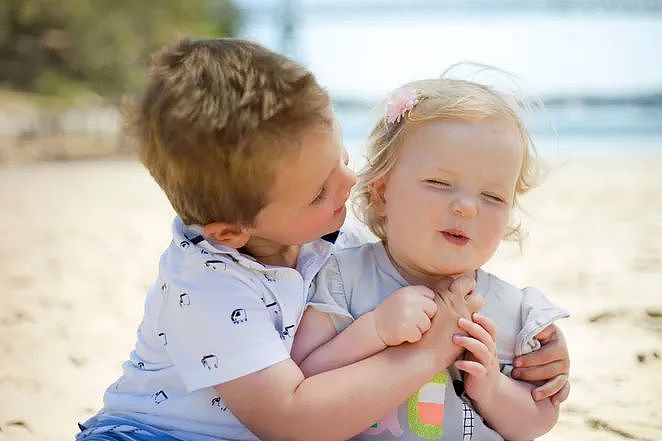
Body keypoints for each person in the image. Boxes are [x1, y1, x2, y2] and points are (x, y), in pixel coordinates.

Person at [76, 39, 569, 441]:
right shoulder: (207, 288)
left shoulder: (328, 238)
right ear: (232, 232)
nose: (348, 185)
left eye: (341, 158)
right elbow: (293, 418)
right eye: (318, 190)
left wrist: (537, 354)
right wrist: (429, 351)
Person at [293, 76, 570, 440]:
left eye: (493, 196)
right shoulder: (342, 277)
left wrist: (490, 388)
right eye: (440, 184)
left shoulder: (514, 308)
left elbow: (535, 421)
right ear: (382, 192)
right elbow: (303, 377)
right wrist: (373, 330)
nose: (467, 207)